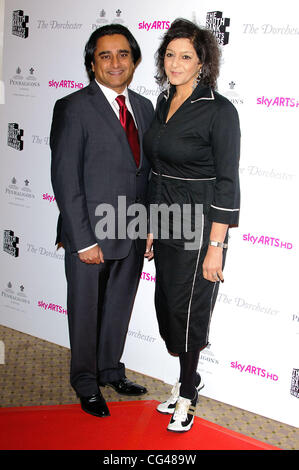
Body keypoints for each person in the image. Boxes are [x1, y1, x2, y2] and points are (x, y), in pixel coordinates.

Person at [50, 24, 154, 418]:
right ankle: (86, 382)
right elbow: (64, 177)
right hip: (89, 234)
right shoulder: (73, 106)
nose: (115, 62)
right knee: (86, 310)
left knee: (117, 308)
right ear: (92, 62)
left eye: (123, 54)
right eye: (105, 55)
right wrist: (82, 239)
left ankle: (111, 370)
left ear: (134, 59)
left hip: (129, 231)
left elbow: (145, 173)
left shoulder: (144, 108)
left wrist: (147, 226)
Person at [143, 18, 240, 432]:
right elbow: (156, 170)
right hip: (164, 219)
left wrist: (216, 245)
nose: (176, 63)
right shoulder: (163, 102)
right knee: (166, 306)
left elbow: (227, 182)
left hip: (199, 226)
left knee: (188, 311)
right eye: (170, 54)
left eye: (186, 56)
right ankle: (189, 376)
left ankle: (187, 392)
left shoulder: (220, 110)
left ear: (203, 62)